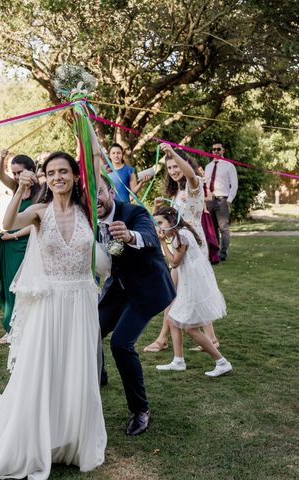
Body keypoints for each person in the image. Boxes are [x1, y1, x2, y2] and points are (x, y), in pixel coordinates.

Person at [0, 151, 107, 478]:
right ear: (46, 177)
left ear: (74, 175)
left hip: (81, 301)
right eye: (52, 172)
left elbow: (95, 160)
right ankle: (38, 436)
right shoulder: (40, 212)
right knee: (44, 368)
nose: (58, 177)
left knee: (77, 368)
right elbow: (9, 223)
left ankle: (71, 439)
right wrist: (18, 190)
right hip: (50, 303)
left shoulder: (88, 211)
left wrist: (83, 118)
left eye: (64, 171)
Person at [97, 176, 176, 436]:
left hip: (145, 290)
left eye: (99, 191)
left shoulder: (133, 211)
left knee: (120, 343)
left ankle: (140, 410)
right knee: (90, 330)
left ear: (110, 190)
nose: (95, 199)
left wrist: (129, 235)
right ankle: (100, 374)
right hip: (117, 289)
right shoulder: (88, 218)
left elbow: (148, 235)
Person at [143, 144, 220, 354]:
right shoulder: (177, 192)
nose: (174, 171)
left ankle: (162, 339)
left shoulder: (193, 186)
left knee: (172, 291)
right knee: (188, 290)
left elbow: (191, 174)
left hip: (192, 245)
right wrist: (158, 207)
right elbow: (167, 221)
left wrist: (173, 154)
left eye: (176, 167)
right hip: (180, 243)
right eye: (169, 168)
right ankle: (210, 338)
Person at [153, 206, 232, 377]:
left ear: (171, 221)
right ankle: (178, 361)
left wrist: (162, 243)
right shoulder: (180, 234)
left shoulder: (181, 237)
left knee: (190, 328)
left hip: (193, 287)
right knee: (173, 320)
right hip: (190, 284)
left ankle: (221, 362)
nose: (158, 227)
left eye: (160, 223)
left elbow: (174, 263)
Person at [0, 150, 39, 344]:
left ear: (32, 171)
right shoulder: (16, 187)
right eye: (14, 173)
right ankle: (11, 328)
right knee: (9, 286)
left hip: (26, 244)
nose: (16, 176)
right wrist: (1, 158)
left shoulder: (40, 193)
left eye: (20, 172)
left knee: (23, 288)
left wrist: (14, 235)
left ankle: (24, 328)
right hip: (9, 244)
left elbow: (35, 224)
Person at [204, 141, 238, 261]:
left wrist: (229, 200)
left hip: (222, 200)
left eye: (218, 149)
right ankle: (215, 253)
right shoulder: (208, 167)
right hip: (210, 201)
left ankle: (223, 253)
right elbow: (206, 184)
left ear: (223, 150)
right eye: (214, 149)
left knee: (223, 228)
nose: (216, 151)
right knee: (212, 228)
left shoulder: (229, 166)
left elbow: (234, 185)